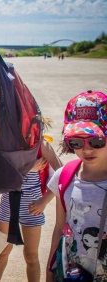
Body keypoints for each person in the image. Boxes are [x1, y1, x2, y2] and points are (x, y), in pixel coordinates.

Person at [46, 90, 107, 280]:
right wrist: (50, 272)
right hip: (73, 273)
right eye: (76, 142)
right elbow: (59, 227)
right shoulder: (64, 176)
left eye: (96, 141)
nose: (86, 149)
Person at [0, 131, 63, 282]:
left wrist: (44, 201)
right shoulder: (6, 141)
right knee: (3, 250)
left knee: (31, 255)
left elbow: (62, 174)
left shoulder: (41, 144)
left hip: (33, 206)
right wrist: (28, 168)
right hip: (8, 202)